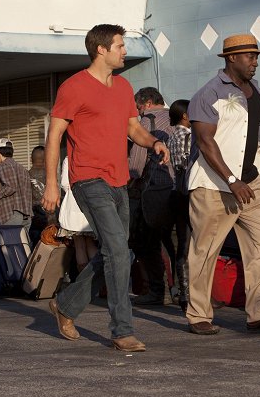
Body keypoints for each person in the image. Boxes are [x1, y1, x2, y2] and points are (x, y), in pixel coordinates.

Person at [42, 24, 170, 353]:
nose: (124, 51)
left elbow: (132, 129)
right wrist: (52, 185)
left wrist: (153, 140)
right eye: (120, 46)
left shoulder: (124, 87)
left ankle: (66, 305)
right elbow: (54, 136)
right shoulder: (74, 87)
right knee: (116, 250)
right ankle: (122, 330)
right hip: (87, 178)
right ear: (101, 49)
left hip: (119, 180)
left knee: (121, 253)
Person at [185, 33, 260, 335]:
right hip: (214, 186)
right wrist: (231, 180)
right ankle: (198, 315)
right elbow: (206, 143)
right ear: (231, 58)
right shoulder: (208, 94)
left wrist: (258, 176)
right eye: (250, 56)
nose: (255, 62)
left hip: (252, 183)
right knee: (205, 250)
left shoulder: (257, 91)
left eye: (257, 56)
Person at [129, 87, 175, 306]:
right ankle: (184, 292)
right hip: (181, 188)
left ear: (146, 103)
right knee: (179, 245)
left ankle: (158, 290)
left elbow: (137, 163)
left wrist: (131, 181)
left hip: (154, 190)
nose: (137, 111)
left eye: (138, 106)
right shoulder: (179, 116)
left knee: (148, 243)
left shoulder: (146, 122)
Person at [168, 99, 192, 312]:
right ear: (185, 115)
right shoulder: (186, 135)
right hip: (187, 193)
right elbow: (186, 163)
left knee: (182, 244)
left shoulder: (172, 134)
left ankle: (184, 293)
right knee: (190, 245)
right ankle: (190, 295)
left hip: (176, 191)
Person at [0, 138, 32, 231]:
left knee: (6, 243)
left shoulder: (4, 165)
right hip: (26, 214)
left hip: (11, 213)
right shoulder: (21, 168)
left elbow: (11, 187)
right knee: (22, 244)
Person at [59, 156, 97, 271]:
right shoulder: (93, 156)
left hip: (74, 206)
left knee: (79, 245)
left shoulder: (69, 158)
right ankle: (97, 277)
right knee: (91, 243)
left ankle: (83, 280)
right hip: (92, 204)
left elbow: (65, 183)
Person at [28, 145, 56, 246]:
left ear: (31, 159)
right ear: (46, 158)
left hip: (34, 217)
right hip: (50, 216)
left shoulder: (27, 175)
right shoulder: (51, 175)